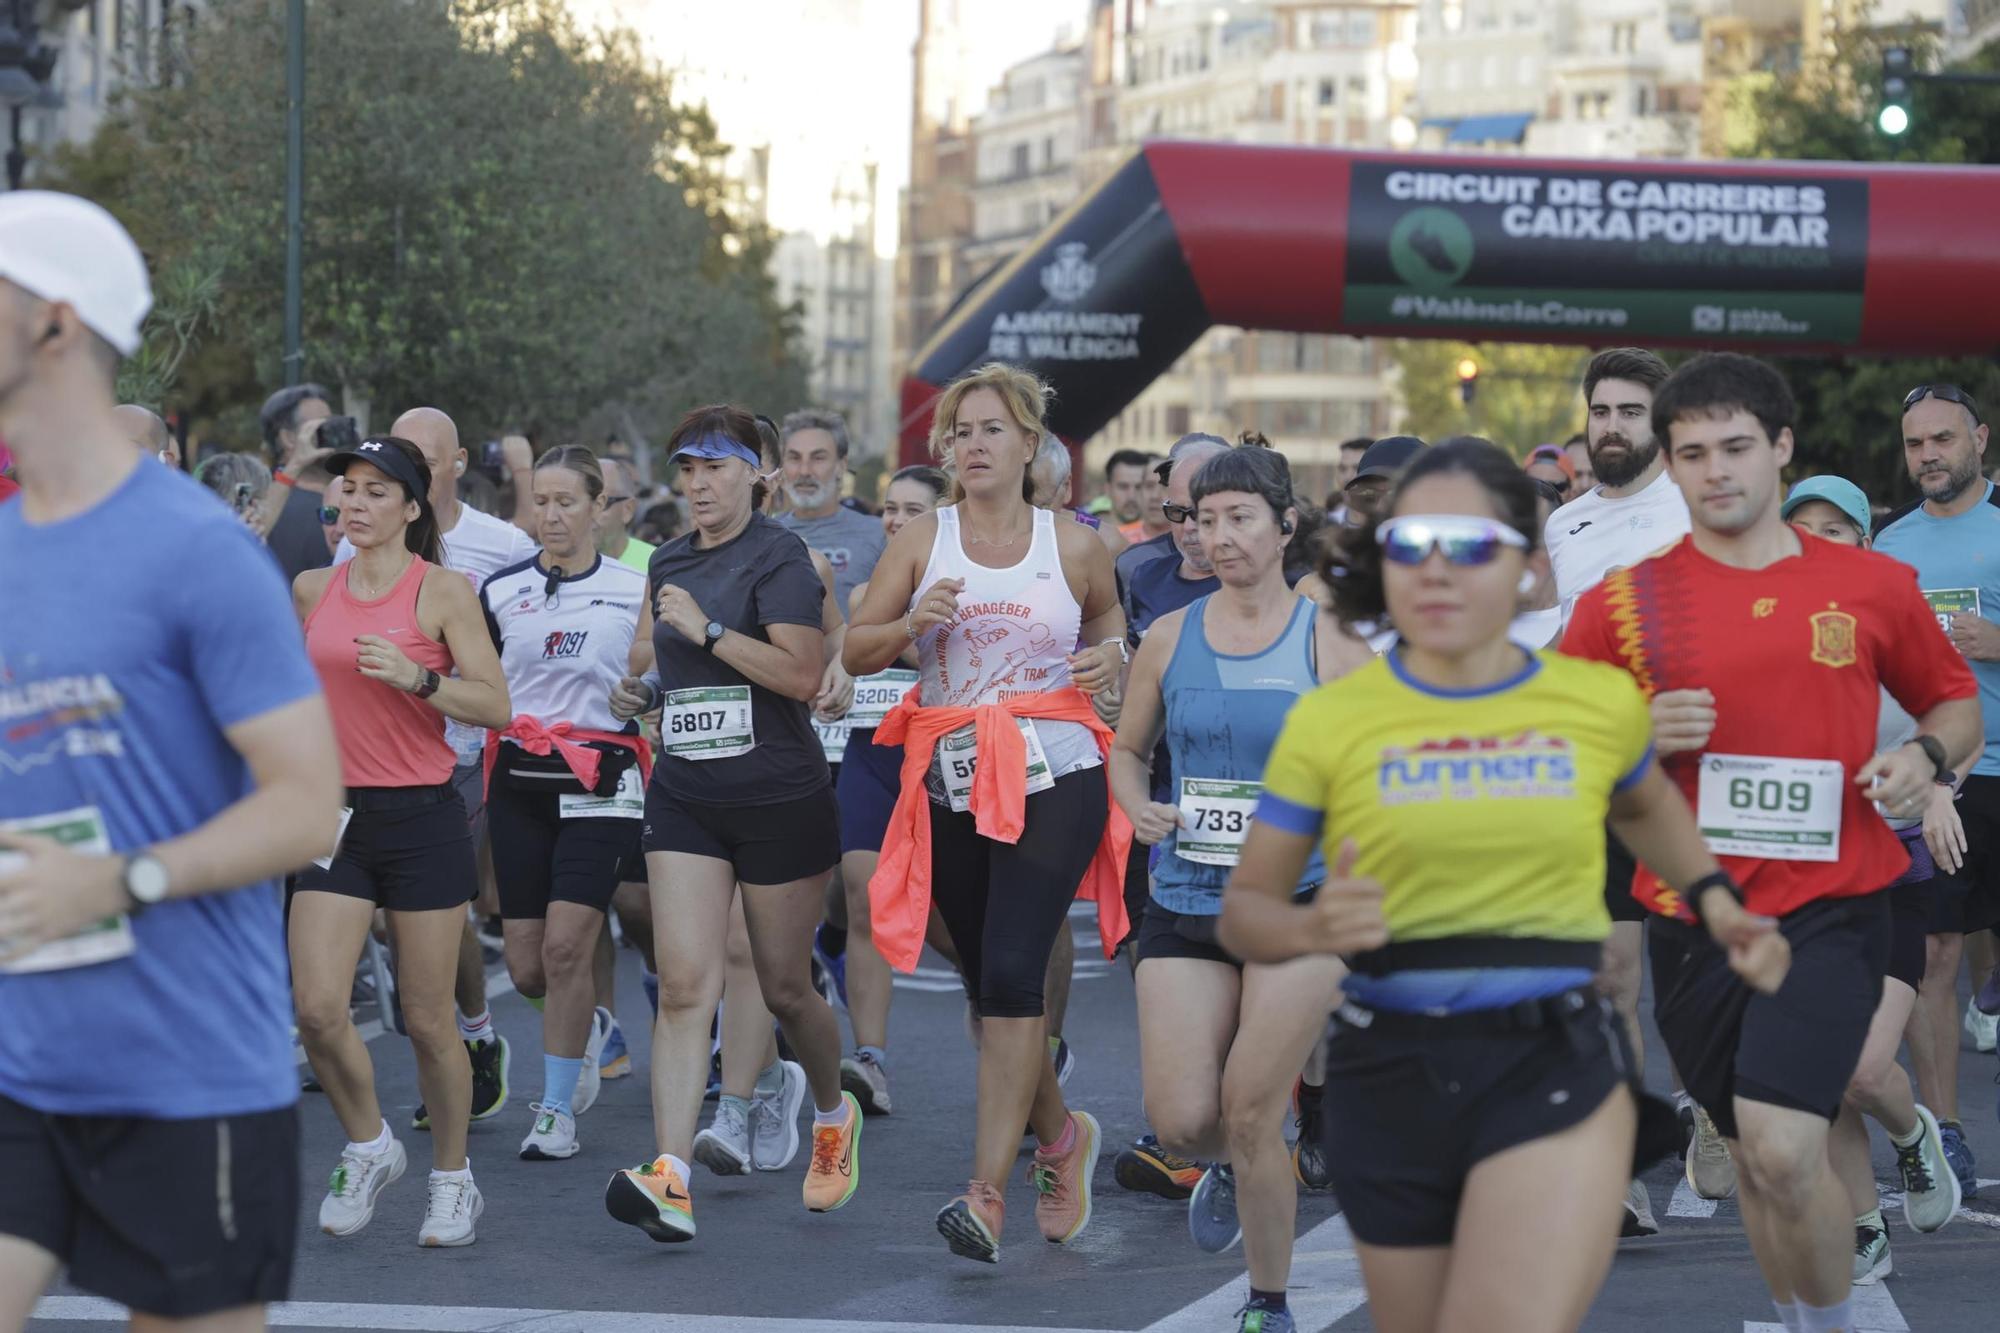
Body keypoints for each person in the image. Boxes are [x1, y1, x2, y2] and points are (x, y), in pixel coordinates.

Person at [1220, 436, 1785, 1333]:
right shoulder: (1332, 720)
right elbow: (1248, 911)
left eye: (1472, 544)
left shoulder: (1594, 702)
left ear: (1525, 565)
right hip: (1389, 1065)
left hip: (1551, 1063)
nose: (1439, 569)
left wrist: (1718, 901)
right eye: (1412, 543)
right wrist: (1313, 923)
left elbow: (1644, 808)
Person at [1563, 353, 1982, 1333]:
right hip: (1689, 917)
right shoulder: (1620, 602)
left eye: (1735, 447)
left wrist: (1924, 754)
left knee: (1785, 1145)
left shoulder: (1871, 584)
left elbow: (1953, 705)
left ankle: (1831, 1324)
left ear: (1781, 449)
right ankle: (1798, 1317)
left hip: (1830, 904)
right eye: (1692, 451)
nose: (1715, 471)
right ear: (1668, 463)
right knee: (1756, 1156)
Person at [0, 190, 343, 1333]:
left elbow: (305, 805)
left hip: (185, 1065)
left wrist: (119, 878)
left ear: (53, 322)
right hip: (20, 1058)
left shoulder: (196, 550)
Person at [845, 361, 1130, 1264]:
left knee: (1011, 973)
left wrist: (1112, 658)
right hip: (952, 778)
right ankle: (1062, 1137)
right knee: (982, 980)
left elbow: (1111, 623)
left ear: (1029, 444)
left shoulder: (1074, 543)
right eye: (960, 431)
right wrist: (906, 627)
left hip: (1059, 769)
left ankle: (985, 1193)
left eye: (991, 429)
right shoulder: (925, 538)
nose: (972, 444)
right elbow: (856, 651)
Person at [1113, 447, 1371, 1333]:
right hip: (1185, 897)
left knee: (1254, 1105)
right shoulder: (1169, 637)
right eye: (1203, 519)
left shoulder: (1327, 639)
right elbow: (1127, 749)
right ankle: (1238, 1158)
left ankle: (1268, 1303)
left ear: (1284, 525)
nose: (1218, 536)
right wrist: (1137, 805)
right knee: (1186, 1120)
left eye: (1239, 518)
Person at [602, 405, 859, 1244]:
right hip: (685, 795)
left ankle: (831, 1111)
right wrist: (643, 696)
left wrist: (708, 631)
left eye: (716, 466)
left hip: (779, 796)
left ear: (761, 474)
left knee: (785, 984)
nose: (698, 483)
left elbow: (800, 671)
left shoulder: (783, 557)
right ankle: (669, 1173)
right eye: (688, 467)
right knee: (684, 986)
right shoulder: (668, 559)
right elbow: (664, 667)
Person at [290, 435, 513, 1248]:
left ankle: (453, 1180)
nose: (354, 503)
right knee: (316, 1009)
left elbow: (496, 705)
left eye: (376, 491)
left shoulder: (444, 591)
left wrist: (419, 678)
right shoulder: (311, 586)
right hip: (332, 816)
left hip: (420, 813)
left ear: (412, 509)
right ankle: (369, 1144)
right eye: (346, 489)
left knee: (426, 1019)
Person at [338, 407, 542, 1133]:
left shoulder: (501, 543)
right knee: (404, 924)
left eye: (421, 458)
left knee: (445, 909)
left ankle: (463, 1036)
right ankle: (475, 1028)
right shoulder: (345, 553)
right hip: (363, 771)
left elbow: (527, 644)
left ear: (454, 465)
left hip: (466, 751)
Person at [1780, 476, 1963, 1284]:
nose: (1819, 539)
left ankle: (1912, 1134)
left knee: (1859, 1066)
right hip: (1799, 881)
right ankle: (1862, 1223)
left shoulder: (1897, 617)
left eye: (1837, 528)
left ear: (1866, 539)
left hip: (1890, 873)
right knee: (1822, 1073)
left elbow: (1950, 715)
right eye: (1803, 527)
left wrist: (1941, 789)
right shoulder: (1764, 629)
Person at [1540, 346, 1695, 1232]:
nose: (1612, 427)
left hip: (1695, 777)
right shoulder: (1566, 526)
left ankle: (1711, 1112)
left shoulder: (1699, 508)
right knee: (1612, 974)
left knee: (1695, 979)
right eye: (1601, 412)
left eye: (1631, 412)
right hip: (1597, 776)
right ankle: (1626, 1172)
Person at [480, 446, 650, 1161]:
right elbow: (479, 683)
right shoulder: (498, 590)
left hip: (600, 775)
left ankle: (554, 1110)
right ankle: (580, 1031)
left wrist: (644, 695)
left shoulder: (635, 585)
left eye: (567, 502)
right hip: (520, 776)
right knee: (526, 967)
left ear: (598, 509)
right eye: (540, 501)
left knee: (566, 942)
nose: (551, 515)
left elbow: (658, 677)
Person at [1872, 381, 2000, 1197]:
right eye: (1916, 443)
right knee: (1936, 954)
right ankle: (1945, 1130)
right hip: (1946, 776)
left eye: (1943, 440)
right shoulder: (1892, 545)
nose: (1928, 456)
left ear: (1979, 439)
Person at [1107, 431, 1232, 1202]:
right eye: (1179, 512)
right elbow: (1116, 693)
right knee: (1153, 959)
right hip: (1160, 805)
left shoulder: (1299, 598)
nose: (1192, 529)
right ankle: (1183, 1129)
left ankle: (1292, 1115)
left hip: (1270, 828)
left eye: (1210, 513)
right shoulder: (1135, 573)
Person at [835, 464, 950, 1116]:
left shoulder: (971, 582)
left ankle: (1015, 1024)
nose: (895, 520)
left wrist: (902, 633)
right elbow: (852, 649)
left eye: (912, 508)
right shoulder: (868, 592)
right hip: (874, 749)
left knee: (959, 924)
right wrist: (836, 678)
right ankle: (870, 1056)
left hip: (945, 758)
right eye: (889, 508)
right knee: (864, 894)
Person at [777, 408, 886, 612]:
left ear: (841, 466)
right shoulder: (764, 535)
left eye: (818, 458)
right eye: (794, 458)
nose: (804, 471)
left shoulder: (878, 535)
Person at [260, 382, 338, 581]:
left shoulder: (351, 495)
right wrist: (295, 465)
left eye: (334, 423)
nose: (332, 432)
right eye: (321, 426)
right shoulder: (265, 499)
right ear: (288, 438)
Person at [597, 456, 658, 574]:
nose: (589, 514)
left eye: (601, 503)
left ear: (628, 509)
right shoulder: (556, 565)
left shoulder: (656, 565)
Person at [1104, 448, 1153, 534]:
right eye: (1123, 487)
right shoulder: (1090, 536)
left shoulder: (1167, 538)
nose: (1132, 496)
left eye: (1139, 487)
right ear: (1108, 489)